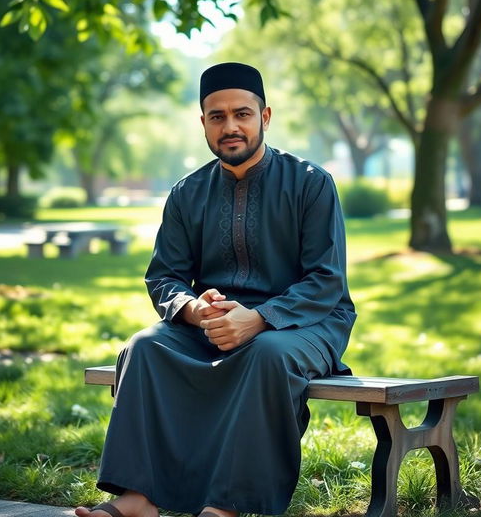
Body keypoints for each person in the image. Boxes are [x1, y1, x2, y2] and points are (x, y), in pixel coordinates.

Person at [76, 62, 356, 517]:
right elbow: (164, 276)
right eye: (217, 116)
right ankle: (137, 498)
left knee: (268, 355)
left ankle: (227, 506)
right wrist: (192, 309)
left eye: (242, 114)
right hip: (213, 324)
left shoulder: (311, 183)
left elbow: (326, 279)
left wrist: (259, 319)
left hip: (306, 321)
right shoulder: (187, 193)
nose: (231, 127)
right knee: (143, 347)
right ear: (202, 122)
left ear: (265, 117)